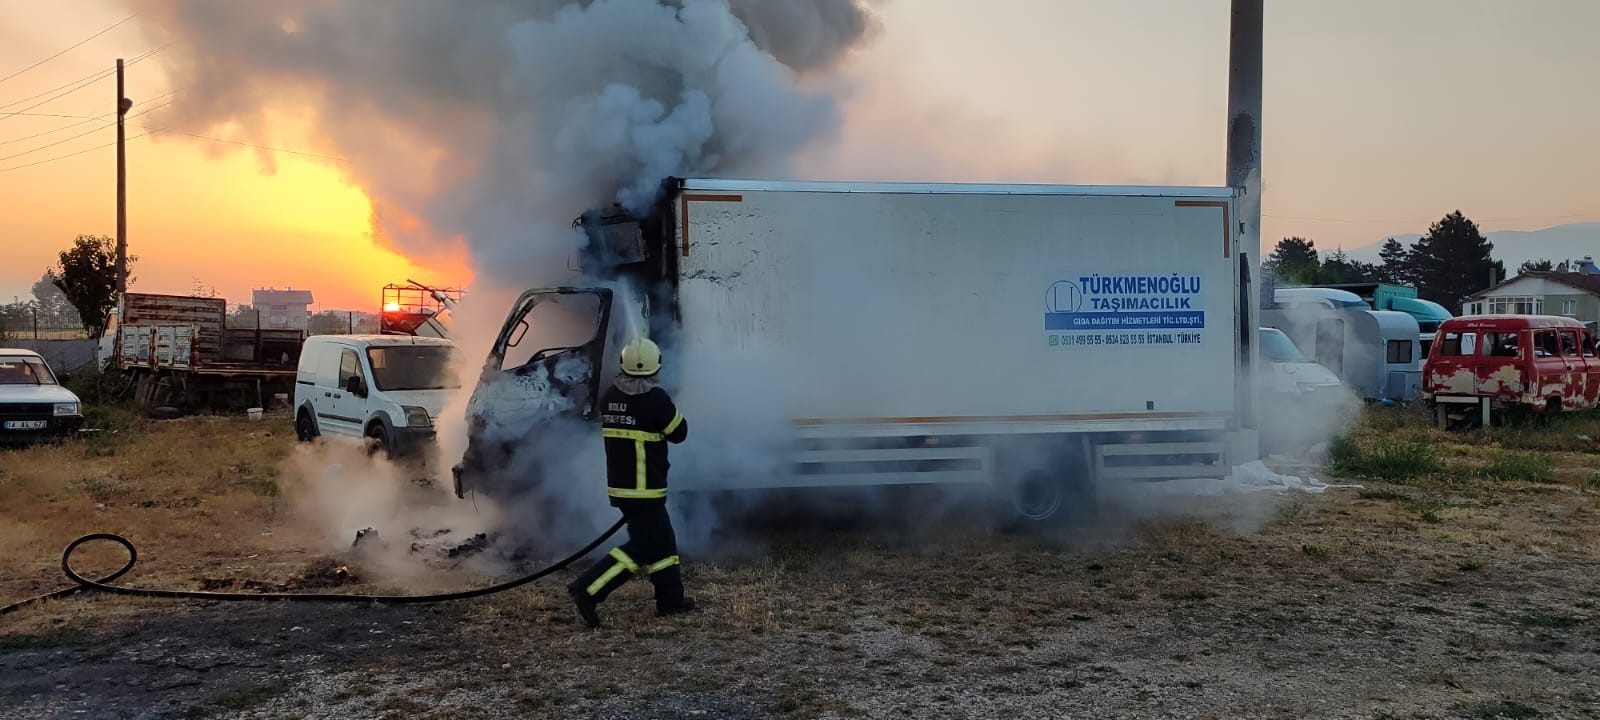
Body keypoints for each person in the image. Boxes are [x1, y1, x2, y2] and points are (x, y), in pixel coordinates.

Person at [568, 337, 694, 629]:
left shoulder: (610, 396)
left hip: (622, 487)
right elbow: (680, 433)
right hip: (645, 488)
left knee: (663, 541)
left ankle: (670, 600)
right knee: (642, 547)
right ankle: (588, 589)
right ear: (656, 366)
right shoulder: (656, 399)